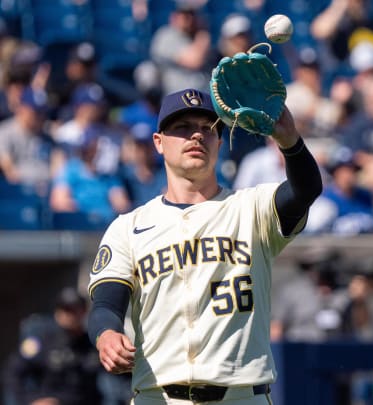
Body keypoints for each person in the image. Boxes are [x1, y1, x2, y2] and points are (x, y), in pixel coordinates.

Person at [86, 88, 322, 404]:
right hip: (159, 397)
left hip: (241, 396)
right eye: (182, 128)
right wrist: (107, 335)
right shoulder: (128, 227)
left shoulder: (251, 209)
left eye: (207, 129)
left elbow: (305, 190)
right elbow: (106, 304)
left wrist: (290, 141)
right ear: (158, 142)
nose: (197, 135)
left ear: (219, 143)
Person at [3, 287, 104, 405]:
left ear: (84, 311)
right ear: (57, 312)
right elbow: (13, 374)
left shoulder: (92, 343)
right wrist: (30, 401)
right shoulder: (42, 340)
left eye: (75, 309)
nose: (70, 315)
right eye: (66, 309)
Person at [150, 3, 212, 95]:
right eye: (184, 15)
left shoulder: (194, 36)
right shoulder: (166, 36)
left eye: (192, 15)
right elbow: (194, 61)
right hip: (178, 97)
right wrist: (203, 34)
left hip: (201, 94)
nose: (189, 19)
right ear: (174, 16)